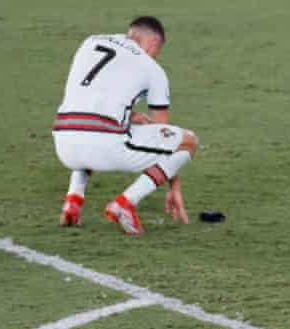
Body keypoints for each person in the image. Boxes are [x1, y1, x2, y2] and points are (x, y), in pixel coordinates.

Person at [53, 16, 198, 234]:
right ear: (153, 44)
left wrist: (130, 115)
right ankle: (125, 203)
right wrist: (174, 186)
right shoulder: (152, 67)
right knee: (188, 142)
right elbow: (164, 133)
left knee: (89, 126)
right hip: (105, 147)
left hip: (63, 142)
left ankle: (73, 200)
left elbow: (91, 98)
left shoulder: (91, 41)